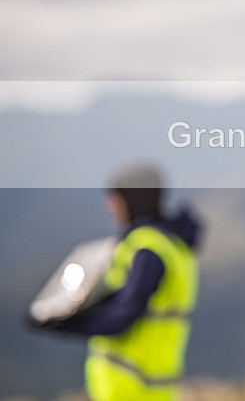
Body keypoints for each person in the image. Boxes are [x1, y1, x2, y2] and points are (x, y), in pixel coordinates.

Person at [35, 164, 201, 401]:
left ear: (132, 200)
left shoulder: (148, 250)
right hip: (154, 387)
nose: (109, 206)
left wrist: (62, 321)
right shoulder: (175, 247)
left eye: (115, 198)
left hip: (130, 388)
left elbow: (122, 316)